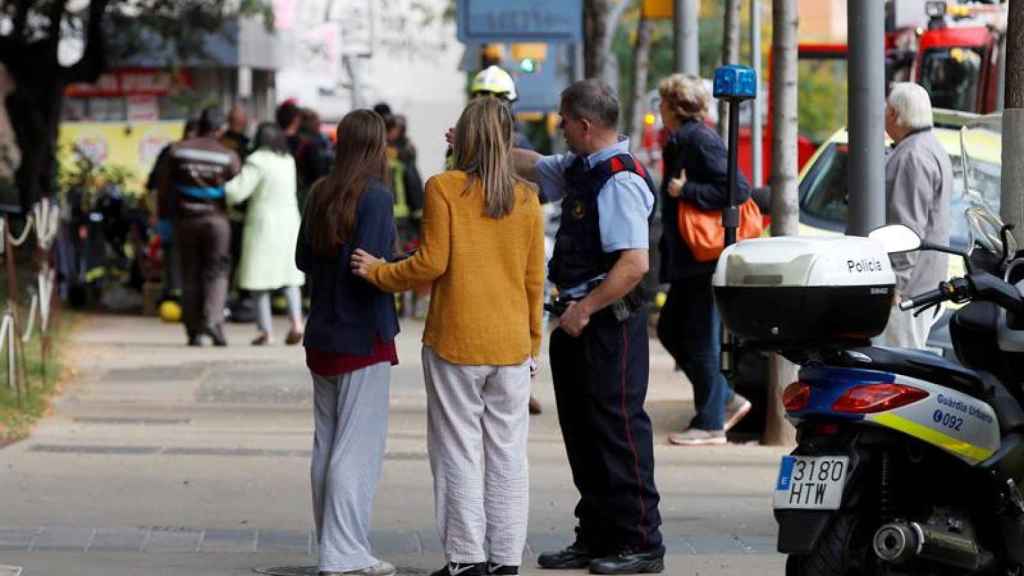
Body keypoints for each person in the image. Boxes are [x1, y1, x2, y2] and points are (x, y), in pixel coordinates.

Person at [352, 97, 544, 576]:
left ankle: (466, 558)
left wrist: (379, 272)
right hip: (513, 346)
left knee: (456, 450)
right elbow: (534, 279)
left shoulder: (444, 188)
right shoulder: (526, 197)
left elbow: (430, 264)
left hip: (457, 340)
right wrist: (532, 342)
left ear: (465, 138)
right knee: (508, 455)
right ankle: (504, 560)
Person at [512, 79, 664, 574]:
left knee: (616, 429)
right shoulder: (581, 167)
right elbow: (534, 165)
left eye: (563, 119)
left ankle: (640, 541)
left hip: (605, 325)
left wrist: (585, 308)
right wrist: (484, 144)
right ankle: (597, 535)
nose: (558, 127)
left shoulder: (619, 178)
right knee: (583, 433)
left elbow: (634, 264)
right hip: (577, 321)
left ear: (585, 124)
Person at [296, 109, 400, 576]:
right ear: (376, 146)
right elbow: (375, 271)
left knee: (328, 444)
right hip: (364, 333)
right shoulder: (376, 197)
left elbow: (301, 259)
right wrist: (402, 266)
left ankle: (330, 545)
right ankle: (345, 553)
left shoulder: (319, 192)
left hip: (322, 332)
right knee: (356, 449)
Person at [654, 74, 753, 447]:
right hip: (688, 259)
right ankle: (724, 398)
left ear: (675, 107)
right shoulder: (682, 140)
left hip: (703, 258)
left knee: (699, 340)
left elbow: (737, 188)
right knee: (670, 331)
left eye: (664, 103)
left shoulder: (699, 139)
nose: (660, 109)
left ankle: (711, 421)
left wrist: (687, 191)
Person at [158, 106, 239, 346]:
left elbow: (164, 189)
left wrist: (163, 220)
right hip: (217, 222)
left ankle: (193, 329)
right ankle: (213, 321)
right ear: (220, 128)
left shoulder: (177, 151)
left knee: (190, 272)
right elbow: (236, 189)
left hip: (185, 221)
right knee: (217, 271)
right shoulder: (229, 156)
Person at [879, 82, 952, 349]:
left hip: (908, 291)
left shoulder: (912, 156)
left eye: (887, 109)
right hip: (924, 283)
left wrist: (895, 285)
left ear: (895, 114)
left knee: (898, 372)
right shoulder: (930, 147)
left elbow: (906, 229)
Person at [225, 122, 305, 346]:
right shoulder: (288, 160)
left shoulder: (257, 160)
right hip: (289, 224)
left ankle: (266, 332)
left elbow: (238, 191)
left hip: (264, 225)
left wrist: (221, 187)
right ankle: (297, 324)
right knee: (290, 278)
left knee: (259, 280)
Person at [147, 118, 198, 302]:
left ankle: (177, 295)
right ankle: (177, 295)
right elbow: (153, 185)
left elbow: (152, 185)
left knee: (175, 256)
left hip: (176, 215)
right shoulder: (173, 152)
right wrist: (154, 213)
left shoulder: (170, 151)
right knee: (175, 256)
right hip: (175, 215)